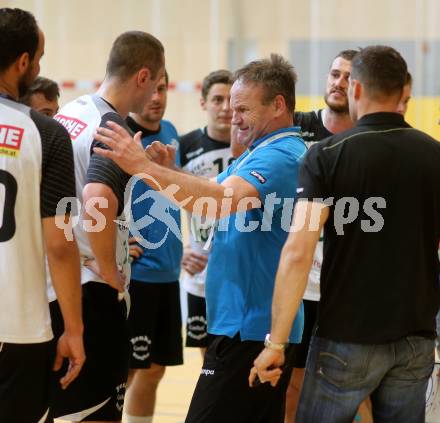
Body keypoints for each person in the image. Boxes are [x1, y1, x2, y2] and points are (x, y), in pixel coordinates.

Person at [93, 53, 306, 423]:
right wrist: (167, 171)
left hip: (251, 327)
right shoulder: (260, 151)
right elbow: (210, 191)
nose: (234, 117)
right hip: (246, 322)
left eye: (243, 108)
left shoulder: (280, 156)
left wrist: (143, 167)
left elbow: (216, 203)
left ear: (278, 105)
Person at [251, 45, 440, 423]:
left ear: (355, 89)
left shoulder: (327, 155)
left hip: (346, 335)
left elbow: (297, 252)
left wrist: (276, 341)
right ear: (403, 91)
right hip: (416, 338)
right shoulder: (433, 154)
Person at [47, 31, 165, 422]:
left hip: (53, 284)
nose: (156, 96)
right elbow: (97, 197)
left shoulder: (69, 114)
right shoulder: (112, 125)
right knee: (96, 412)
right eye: (159, 83)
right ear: (143, 76)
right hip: (90, 293)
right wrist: (108, 267)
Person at [0, 7, 84, 422]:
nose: (39, 66)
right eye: (39, 58)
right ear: (22, 62)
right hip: (20, 325)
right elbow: (61, 243)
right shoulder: (47, 134)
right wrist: (74, 329)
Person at [285, 49, 357, 422]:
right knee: (291, 384)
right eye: (334, 74)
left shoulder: (368, 138)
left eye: (347, 77)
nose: (338, 83)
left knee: (353, 385)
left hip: (345, 286)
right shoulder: (296, 126)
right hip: (299, 283)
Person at [123, 71, 183, 423]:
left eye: (163, 89)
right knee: (128, 369)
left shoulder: (173, 132)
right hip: (138, 274)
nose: (157, 97)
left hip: (168, 272)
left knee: (155, 368)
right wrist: (117, 238)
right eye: (151, 89)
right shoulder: (122, 135)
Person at [180, 69, 234, 356]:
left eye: (230, 100)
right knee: (208, 360)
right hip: (200, 275)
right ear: (203, 103)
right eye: (217, 99)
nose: (225, 108)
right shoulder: (184, 146)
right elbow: (158, 206)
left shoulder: (251, 145)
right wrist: (178, 250)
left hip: (241, 272)